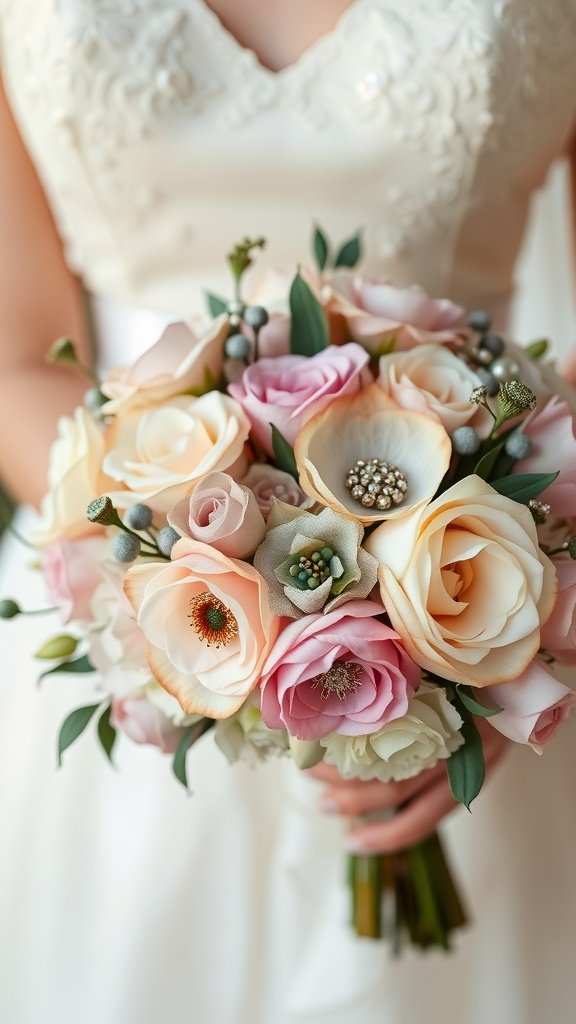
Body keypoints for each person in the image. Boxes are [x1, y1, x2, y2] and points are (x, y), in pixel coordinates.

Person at [0, 2, 575, 1022]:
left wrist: (493, 655)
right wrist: (178, 564)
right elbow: (15, 354)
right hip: (132, 632)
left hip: (480, 620)